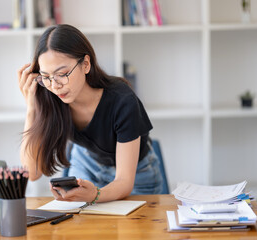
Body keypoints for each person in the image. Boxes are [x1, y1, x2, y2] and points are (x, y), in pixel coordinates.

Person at [18, 24, 163, 204]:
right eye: (46, 77)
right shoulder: (51, 97)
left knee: (131, 229)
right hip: (87, 162)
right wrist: (31, 107)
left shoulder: (122, 100)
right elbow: (31, 172)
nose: (54, 86)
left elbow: (124, 181)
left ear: (85, 64)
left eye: (62, 74)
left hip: (137, 173)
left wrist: (95, 195)